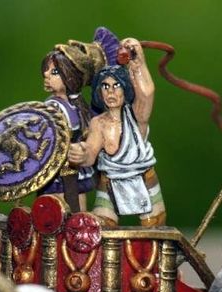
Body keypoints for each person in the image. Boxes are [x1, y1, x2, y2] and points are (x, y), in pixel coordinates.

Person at [68, 38, 166, 227]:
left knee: (153, 225)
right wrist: (81, 153)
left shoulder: (136, 116)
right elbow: (91, 152)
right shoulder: (98, 123)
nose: (111, 92)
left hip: (143, 179)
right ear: (99, 91)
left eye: (116, 86)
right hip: (110, 182)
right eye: (105, 86)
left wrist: (138, 64)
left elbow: (146, 94)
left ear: (125, 88)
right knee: (102, 225)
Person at [39, 42, 104, 212]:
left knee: (78, 208)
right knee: (58, 210)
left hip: (76, 170)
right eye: (46, 70)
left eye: (54, 72)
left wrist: (84, 148)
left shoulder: (79, 105)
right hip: (56, 174)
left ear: (71, 76)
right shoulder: (51, 108)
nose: (46, 74)